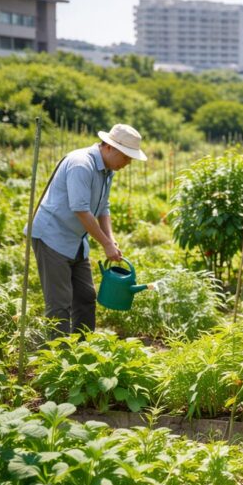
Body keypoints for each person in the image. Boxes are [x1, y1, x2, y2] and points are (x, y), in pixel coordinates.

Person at [27, 123, 147, 336]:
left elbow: (103, 207)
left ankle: (82, 352)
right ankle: (57, 358)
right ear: (109, 147)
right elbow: (81, 210)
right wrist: (105, 244)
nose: (128, 162)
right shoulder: (81, 164)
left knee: (85, 295)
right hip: (52, 236)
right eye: (127, 157)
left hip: (75, 239)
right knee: (59, 303)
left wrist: (110, 239)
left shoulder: (108, 170)